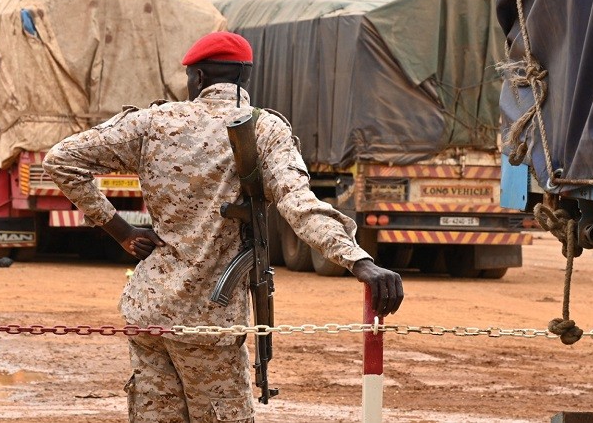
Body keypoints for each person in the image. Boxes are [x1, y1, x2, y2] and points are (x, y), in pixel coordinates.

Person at [43, 31, 404, 423]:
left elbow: (60, 160)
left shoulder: (151, 123)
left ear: (197, 78)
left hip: (148, 311)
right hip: (209, 322)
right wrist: (358, 260)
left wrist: (121, 231)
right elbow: (300, 206)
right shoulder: (264, 130)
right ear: (244, 79)